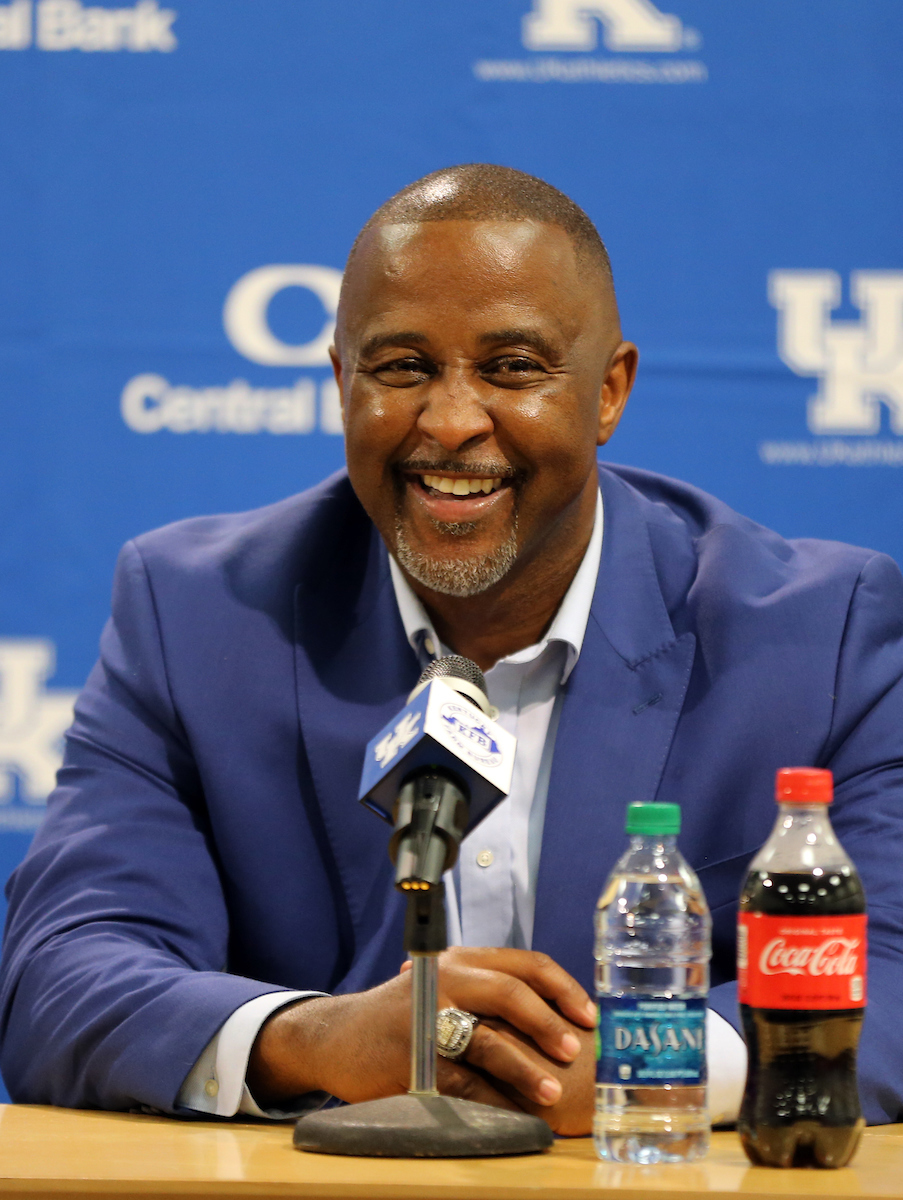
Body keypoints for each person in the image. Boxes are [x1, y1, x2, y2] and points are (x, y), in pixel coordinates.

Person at [2, 165, 902, 1133]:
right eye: (401, 368)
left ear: (608, 392)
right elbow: (61, 970)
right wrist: (315, 1040)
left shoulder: (819, 633)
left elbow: (891, 970)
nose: (451, 421)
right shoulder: (196, 616)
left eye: (511, 368)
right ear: (341, 383)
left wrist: (635, 1065)